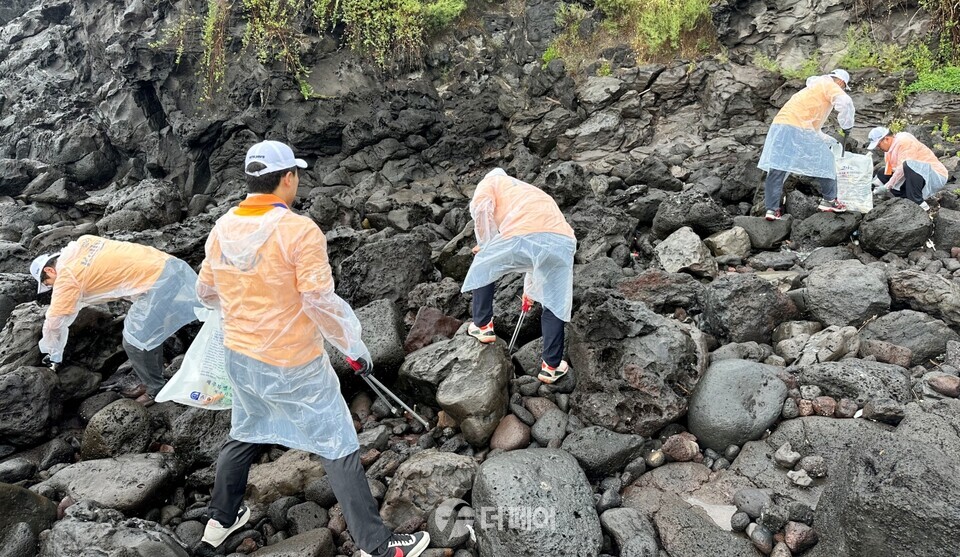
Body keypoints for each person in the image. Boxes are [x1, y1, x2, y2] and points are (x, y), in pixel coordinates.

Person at [195, 140, 429, 556]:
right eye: (296, 175)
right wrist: (352, 347)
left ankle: (221, 521)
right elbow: (319, 301)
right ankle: (377, 545)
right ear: (288, 178)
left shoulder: (222, 228)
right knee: (337, 442)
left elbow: (206, 292)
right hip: (293, 361)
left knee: (245, 431)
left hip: (240, 356)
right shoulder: (299, 231)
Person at [30, 236, 201, 406]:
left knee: (134, 343)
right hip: (170, 265)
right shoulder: (83, 242)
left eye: (49, 284)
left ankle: (155, 389)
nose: (53, 288)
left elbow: (54, 322)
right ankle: (156, 377)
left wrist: (53, 354)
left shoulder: (67, 277)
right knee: (148, 332)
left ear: (50, 271)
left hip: (156, 283)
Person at [460, 168, 577, 384]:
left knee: (484, 265)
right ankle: (551, 366)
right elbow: (538, 255)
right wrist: (530, 291)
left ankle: (482, 324)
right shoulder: (528, 191)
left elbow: (482, 208)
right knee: (555, 301)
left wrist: (485, 245)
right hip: (563, 241)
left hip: (524, 234)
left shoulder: (490, 182)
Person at [758, 68, 855, 220]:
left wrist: (829, 140)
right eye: (843, 87)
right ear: (841, 82)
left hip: (780, 125)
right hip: (798, 127)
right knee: (826, 160)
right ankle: (829, 201)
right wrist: (847, 126)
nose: (842, 90)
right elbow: (846, 102)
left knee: (778, 166)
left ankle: (771, 210)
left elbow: (811, 128)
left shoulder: (812, 89)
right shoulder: (829, 84)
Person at [867, 126, 948, 209]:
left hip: (935, 175)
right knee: (882, 172)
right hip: (915, 174)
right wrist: (873, 185)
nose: (878, 148)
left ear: (886, 139)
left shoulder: (904, 141)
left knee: (907, 164)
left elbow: (902, 168)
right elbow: (889, 170)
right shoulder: (889, 150)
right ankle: (903, 198)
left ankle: (920, 204)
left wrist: (886, 187)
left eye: (878, 144)